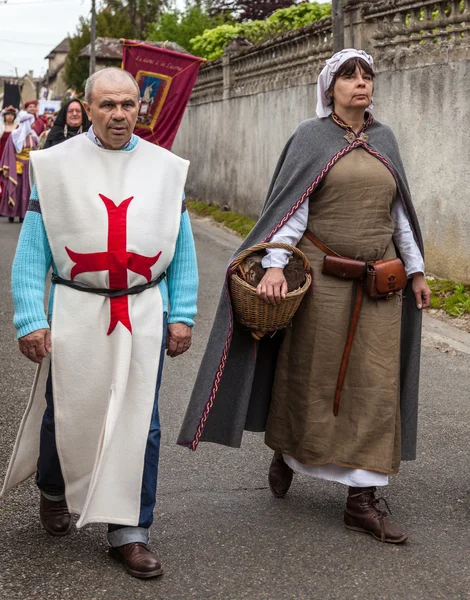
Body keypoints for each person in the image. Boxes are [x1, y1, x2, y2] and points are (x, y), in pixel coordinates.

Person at [178, 49, 430, 544]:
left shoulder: (385, 140)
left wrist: (417, 272)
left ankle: (362, 500)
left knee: (376, 383)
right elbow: (291, 211)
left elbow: (400, 214)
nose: (361, 84)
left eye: (366, 77)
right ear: (329, 88)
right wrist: (274, 267)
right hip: (321, 280)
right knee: (311, 377)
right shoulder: (310, 138)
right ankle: (290, 451)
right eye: (349, 77)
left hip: (379, 281)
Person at [1, 67, 198, 579]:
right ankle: (53, 487)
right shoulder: (56, 165)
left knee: (142, 420)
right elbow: (33, 251)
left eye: (128, 104)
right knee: (66, 411)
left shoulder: (166, 168)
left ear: (140, 108)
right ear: (87, 108)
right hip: (77, 306)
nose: (119, 114)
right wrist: (29, 316)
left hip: (142, 309)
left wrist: (182, 314)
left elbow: (182, 249)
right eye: (107, 105)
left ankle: (130, 530)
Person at [0, 110, 38, 222]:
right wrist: (7, 167)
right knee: (15, 188)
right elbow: (9, 152)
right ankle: (12, 213)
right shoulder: (14, 135)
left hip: (29, 166)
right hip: (16, 165)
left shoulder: (33, 136)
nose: (33, 124)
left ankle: (23, 214)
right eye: (31, 122)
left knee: (26, 190)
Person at [0, 106, 18, 205]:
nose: (10, 116)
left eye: (12, 114)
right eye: (8, 114)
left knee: (9, 178)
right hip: (0, 154)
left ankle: (7, 203)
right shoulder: (1, 127)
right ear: (4, 116)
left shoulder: (17, 127)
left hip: (12, 157)